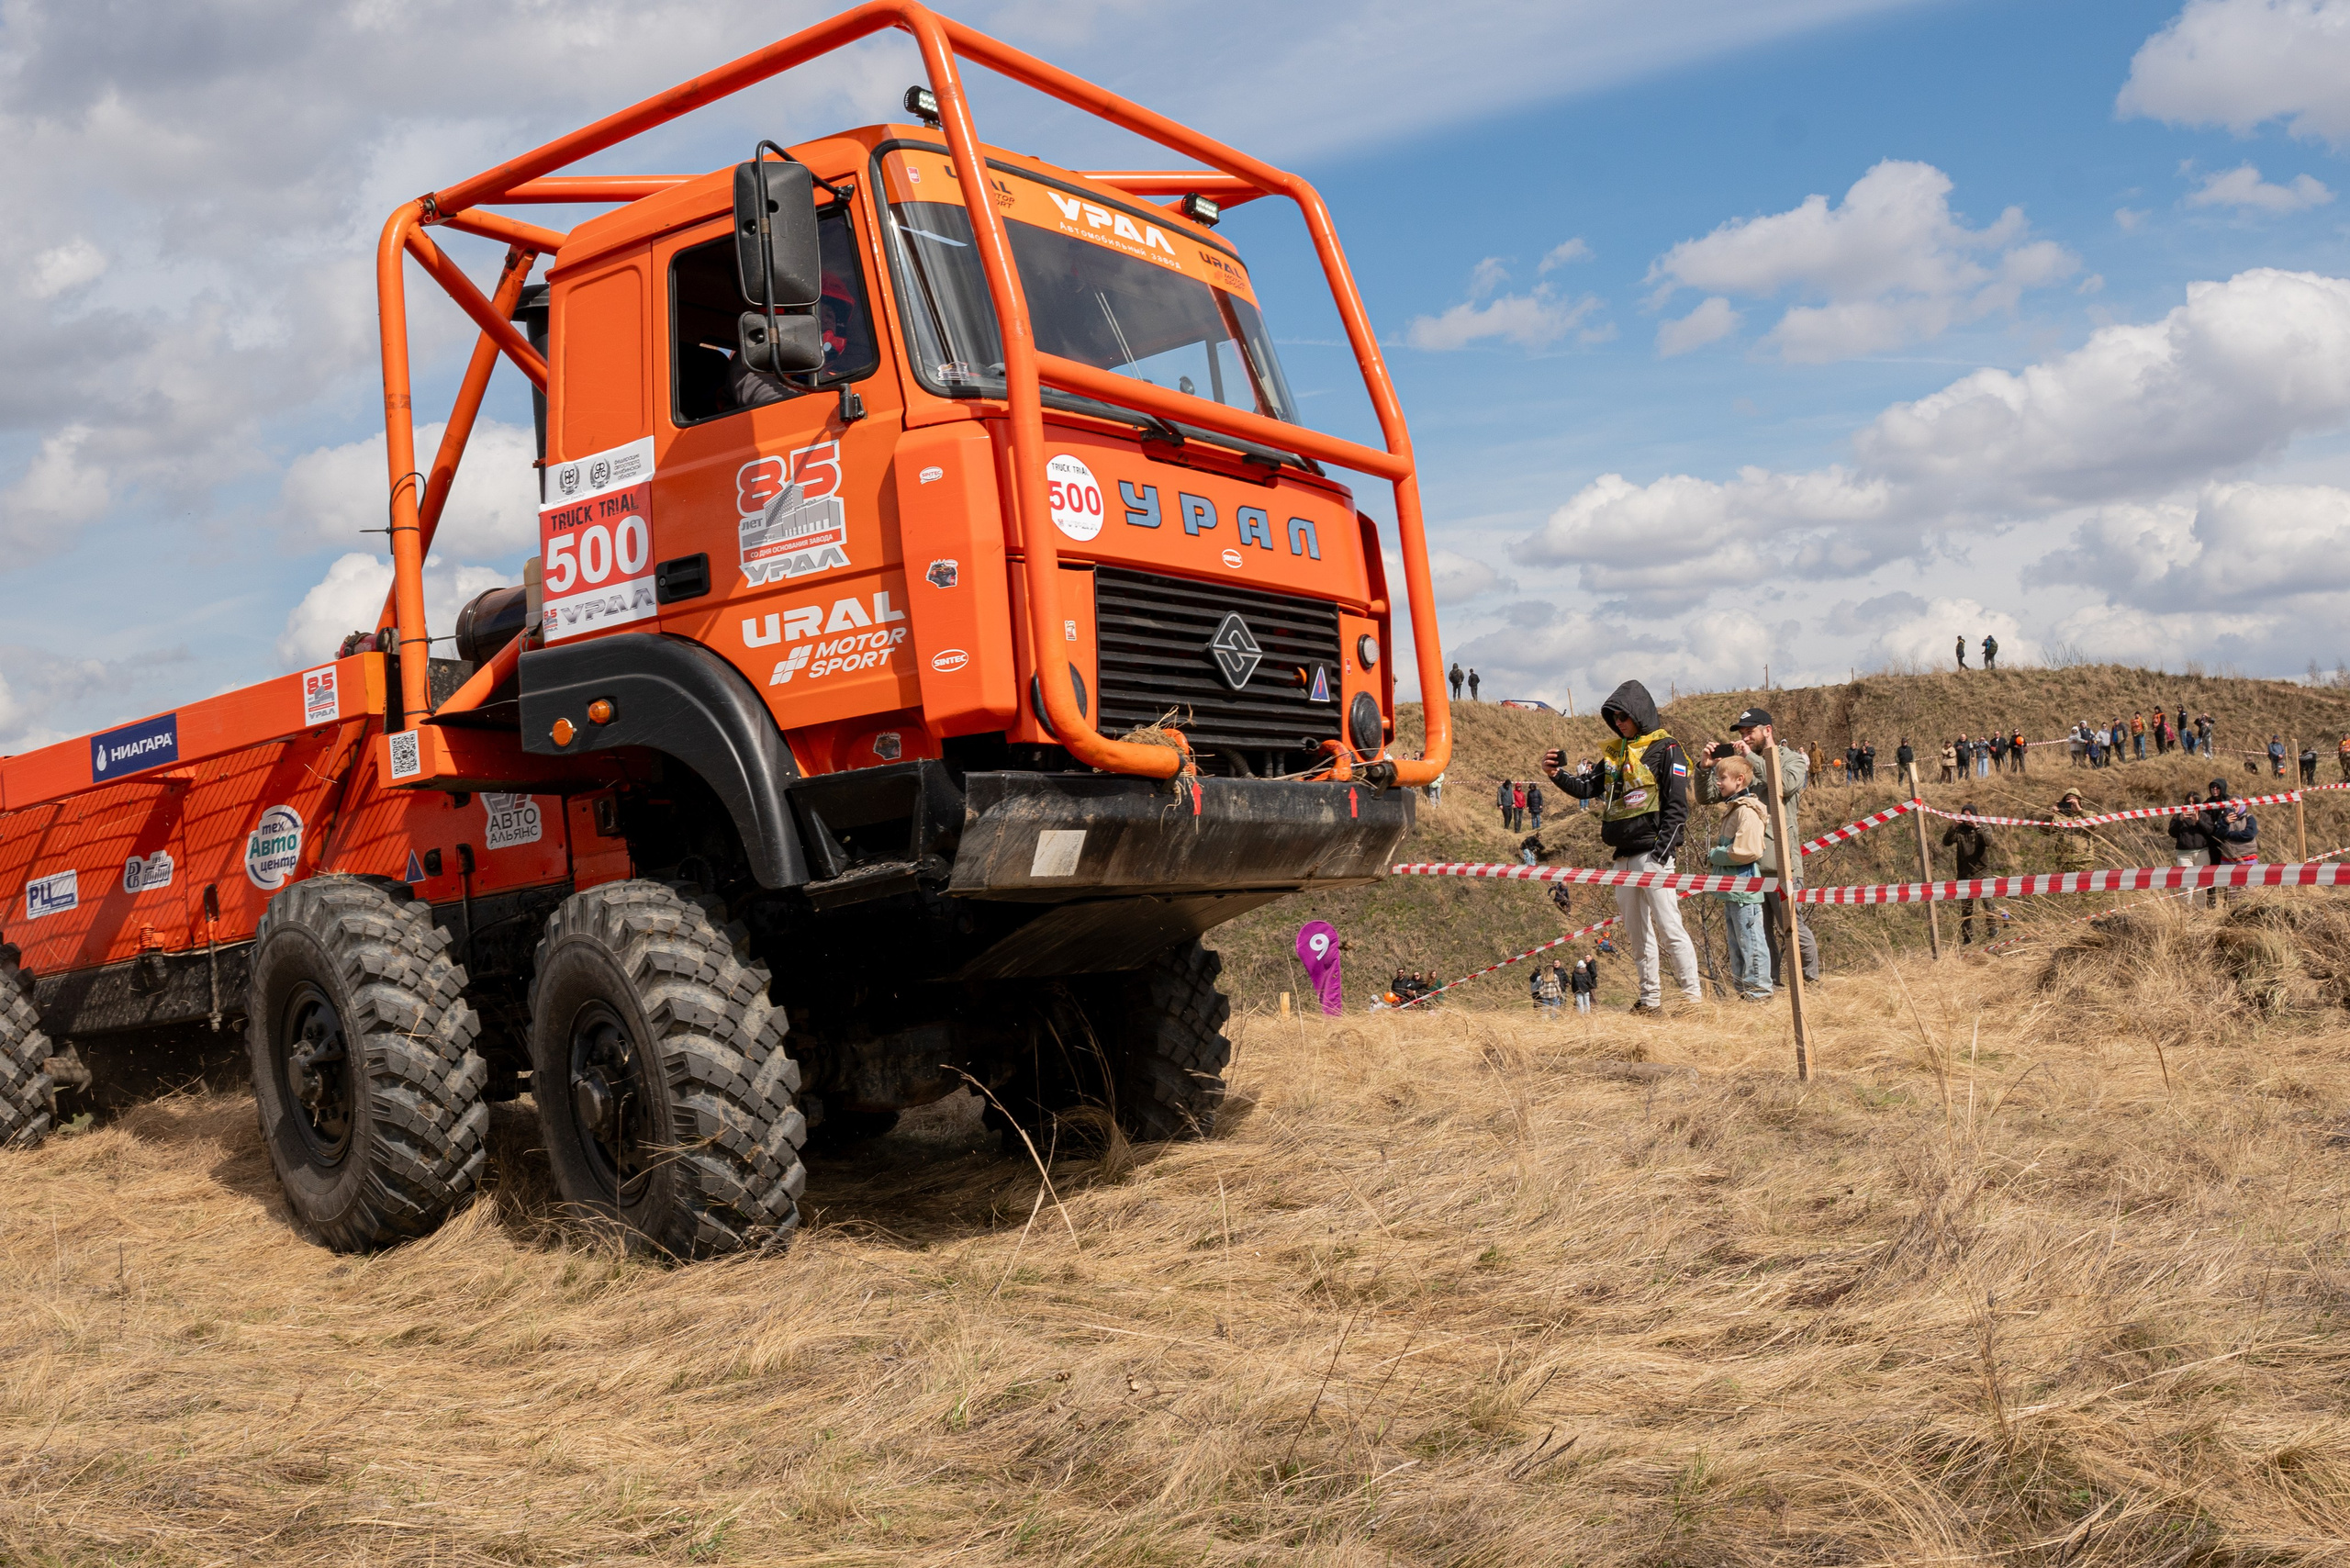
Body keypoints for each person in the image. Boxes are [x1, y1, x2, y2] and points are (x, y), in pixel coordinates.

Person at [1542, 679, 1704, 1014]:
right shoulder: (1615, 753)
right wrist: (1556, 774)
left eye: (1623, 716)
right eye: (1613, 717)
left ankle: (1693, 1001)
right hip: (1622, 859)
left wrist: (1661, 854)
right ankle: (1650, 1001)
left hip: (1654, 855)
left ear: (1639, 712)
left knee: (1670, 929)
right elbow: (1586, 788)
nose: (1618, 723)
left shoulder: (1668, 748)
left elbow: (1677, 808)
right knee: (1638, 936)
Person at [1702, 705, 1821, 986]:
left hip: (1781, 863)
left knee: (1793, 929)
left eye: (1750, 732)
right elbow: (1708, 797)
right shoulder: (1746, 765)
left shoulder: (1791, 759)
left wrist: (1751, 758)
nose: (1745, 737)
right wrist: (1705, 769)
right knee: (1759, 934)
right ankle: (1771, 985)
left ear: (1767, 730)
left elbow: (1786, 785)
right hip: (1751, 866)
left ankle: (1811, 982)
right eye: (1742, 733)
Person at [1703, 752, 1774, 1001]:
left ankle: (1759, 993)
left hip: (1744, 889)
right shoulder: (1735, 809)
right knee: (1738, 945)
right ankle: (1745, 993)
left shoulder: (1747, 811)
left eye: (1722, 777)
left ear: (1739, 779)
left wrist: (1714, 854)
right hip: (1733, 889)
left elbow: (1747, 850)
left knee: (1751, 942)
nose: (1718, 782)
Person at [1942, 804, 1998, 946]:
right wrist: (1953, 827)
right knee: (1966, 907)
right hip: (1964, 873)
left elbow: (1988, 841)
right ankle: (1967, 936)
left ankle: (1993, 927)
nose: (1966, 819)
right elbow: (1946, 842)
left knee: (1987, 901)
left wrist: (1976, 827)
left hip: (1982, 870)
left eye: (1969, 815)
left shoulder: (1983, 826)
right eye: (1964, 815)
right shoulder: (1960, 830)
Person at [2204, 780, 2259, 904]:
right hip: (2229, 860)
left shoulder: (2249, 818)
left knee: (2250, 892)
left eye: (2236, 805)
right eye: (2231, 805)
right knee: (2232, 895)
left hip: (2247, 859)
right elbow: (2218, 836)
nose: (2234, 807)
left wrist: (2229, 835)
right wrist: (2225, 823)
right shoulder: (2224, 819)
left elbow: (2249, 834)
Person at [2048, 789, 2096, 873]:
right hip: (2064, 860)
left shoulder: (2088, 814)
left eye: (2073, 799)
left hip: (2084, 860)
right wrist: (2050, 815)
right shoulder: (2059, 817)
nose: (2070, 802)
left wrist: (2079, 810)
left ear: (2079, 800)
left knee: (2084, 881)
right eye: (2067, 800)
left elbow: (2095, 825)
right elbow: (2045, 831)